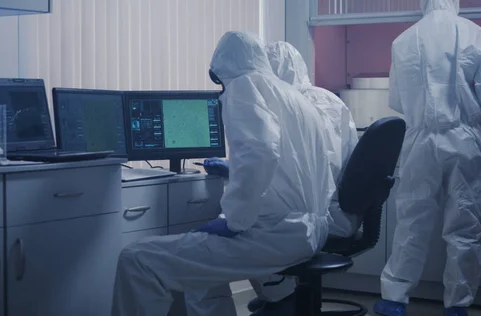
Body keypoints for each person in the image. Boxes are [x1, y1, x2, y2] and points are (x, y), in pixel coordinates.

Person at [111, 31, 336, 316]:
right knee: (198, 271)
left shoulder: (244, 85)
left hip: (279, 236)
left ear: (220, 71)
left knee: (137, 259)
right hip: (310, 230)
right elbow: (292, 166)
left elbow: (261, 151)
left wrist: (234, 221)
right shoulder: (296, 97)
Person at [204, 41, 361, 314]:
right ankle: (279, 294)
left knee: (236, 227)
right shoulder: (325, 99)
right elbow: (297, 165)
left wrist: (236, 173)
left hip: (323, 213)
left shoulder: (301, 104)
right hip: (339, 208)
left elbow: (312, 170)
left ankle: (281, 297)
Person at [374, 1, 481, 316]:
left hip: (420, 140)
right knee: (464, 227)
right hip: (465, 138)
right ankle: (457, 305)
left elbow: (397, 100)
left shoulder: (403, 40)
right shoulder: (478, 35)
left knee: (411, 220)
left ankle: (394, 297)